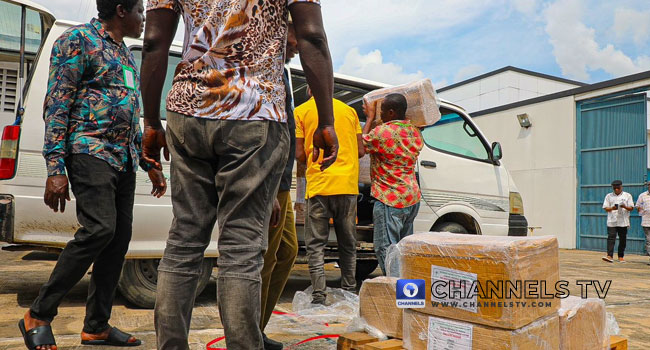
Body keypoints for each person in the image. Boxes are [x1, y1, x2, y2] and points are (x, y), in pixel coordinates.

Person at [140, 0, 338, 349]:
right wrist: (326, 120)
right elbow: (311, 35)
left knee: (184, 240)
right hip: (254, 110)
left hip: (188, 109)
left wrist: (152, 122)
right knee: (241, 250)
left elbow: (155, 40)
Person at [18, 1, 167, 349]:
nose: (144, 20)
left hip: (123, 159)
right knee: (100, 228)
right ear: (120, 10)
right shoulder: (77, 41)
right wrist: (55, 168)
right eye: (140, 12)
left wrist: (148, 164)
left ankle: (96, 326)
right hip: (88, 151)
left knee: (117, 241)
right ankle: (38, 314)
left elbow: (126, 116)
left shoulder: (124, 55)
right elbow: (56, 105)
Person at [295, 89, 365, 305]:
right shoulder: (349, 111)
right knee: (348, 243)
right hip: (347, 186)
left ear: (309, 89)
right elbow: (361, 151)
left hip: (319, 186)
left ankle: (319, 295)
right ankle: (349, 291)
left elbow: (299, 154)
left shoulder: (301, 111)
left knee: (316, 245)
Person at [259, 20, 299, 350]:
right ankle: (247, 333)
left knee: (287, 252)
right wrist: (270, 187)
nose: (298, 44)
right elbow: (265, 129)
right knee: (266, 258)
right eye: (295, 35)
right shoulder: (266, 65)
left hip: (283, 180)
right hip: (272, 181)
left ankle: (255, 329)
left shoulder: (282, 71)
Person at [362, 94, 423, 275]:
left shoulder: (382, 132)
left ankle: (396, 291)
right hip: (412, 197)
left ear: (391, 112)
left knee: (386, 249)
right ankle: (409, 295)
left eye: (381, 112)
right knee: (404, 250)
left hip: (389, 198)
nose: (379, 115)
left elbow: (362, 144)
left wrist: (370, 119)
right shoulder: (415, 132)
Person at [602, 180, 634, 263]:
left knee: (622, 239)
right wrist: (612, 208)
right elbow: (605, 208)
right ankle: (609, 256)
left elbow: (631, 208)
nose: (616, 189)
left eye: (618, 188)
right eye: (614, 188)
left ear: (621, 187)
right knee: (611, 238)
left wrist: (624, 206)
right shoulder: (609, 196)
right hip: (612, 221)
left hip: (623, 221)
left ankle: (621, 256)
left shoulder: (627, 195)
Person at [636, 182, 650, 264]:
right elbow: (637, 205)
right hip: (646, 222)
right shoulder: (643, 195)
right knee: (649, 240)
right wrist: (642, 211)